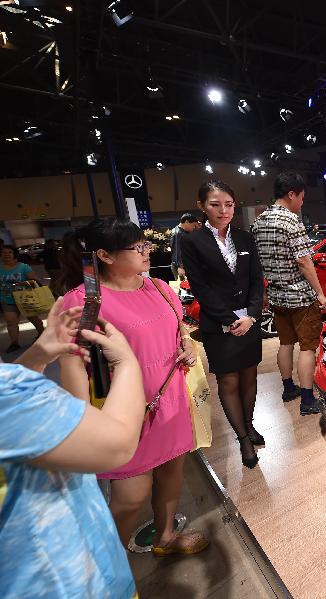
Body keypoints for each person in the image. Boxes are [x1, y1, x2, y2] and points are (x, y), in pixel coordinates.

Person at [58, 217, 209, 555]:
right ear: (105, 255)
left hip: (170, 396)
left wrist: (184, 343)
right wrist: (83, 421)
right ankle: (103, 570)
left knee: (173, 471)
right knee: (131, 495)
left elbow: (177, 331)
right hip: (123, 409)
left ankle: (165, 537)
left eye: (146, 244)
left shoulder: (157, 286)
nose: (147, 251)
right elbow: (74, 365)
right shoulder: (84, 300)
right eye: (138, 247)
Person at [1, 297, 144, 598]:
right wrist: (127, 363)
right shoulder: (8, 396)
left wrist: (36, 356)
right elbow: (117, 446)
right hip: (63, 581)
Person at [181, 180, 265, 469]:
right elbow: (201, 288)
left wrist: (252, 315)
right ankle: (242, 438)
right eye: (215, 204)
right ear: (202, 206)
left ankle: (250, 424)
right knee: (228, 381)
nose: (223, 210)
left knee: (250, 377)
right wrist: (230, 321)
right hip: (219, 324)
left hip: (249, 322)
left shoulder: (245, 238)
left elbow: (256, 280)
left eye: (229, 204)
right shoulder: (192, 241)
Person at [251, 172, 326, 413]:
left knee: (285, 343)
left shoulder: (259, 222)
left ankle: (288, 388)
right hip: (300, 297)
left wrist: (264, 292)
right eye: (302, 198)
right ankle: (307, 399)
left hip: (276, 295)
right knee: (307, 347)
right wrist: (321, 294)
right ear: (291, 194)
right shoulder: (292, 222)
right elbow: (304, 261)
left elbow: (258, 263)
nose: (302, 203)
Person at [1, 244, 46, 354]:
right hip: (7, 299)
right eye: (4, 252)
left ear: (15, 254)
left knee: (33, 318)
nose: (6, 254)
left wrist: (21, 283)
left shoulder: (23, 267)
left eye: (9, 252)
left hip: (25, 299)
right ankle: (14, 343)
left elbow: (35, 280)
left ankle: (42, 333)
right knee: (11, 322)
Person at [170, 213, 201, 280]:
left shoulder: (181, 231)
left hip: (185, 264)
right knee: (184, 287)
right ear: (186, 222)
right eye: (193, 226)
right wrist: (180, 267)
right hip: (181, 267)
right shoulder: (178, 234)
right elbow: (177, 251)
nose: (194, 228)